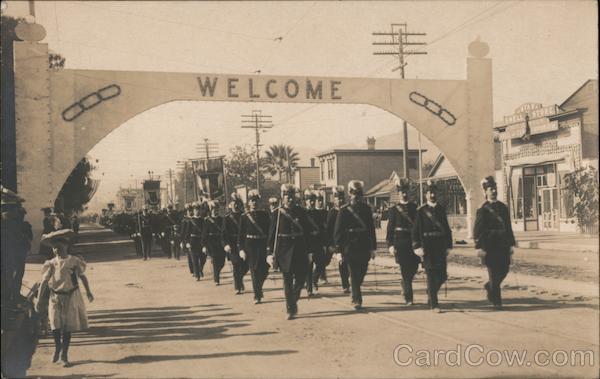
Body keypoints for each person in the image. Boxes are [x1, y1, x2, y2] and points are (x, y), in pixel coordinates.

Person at [35, 229, 94, 367]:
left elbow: (82, 277)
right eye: (54, 248)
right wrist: (39, 300)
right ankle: (57, 347)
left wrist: (89, 292)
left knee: (67, 326)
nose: (57, 250)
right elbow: (44, 281)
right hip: (55, 296)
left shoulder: (74, 261)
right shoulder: (50, 263)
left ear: (67, 247)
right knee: (55, 324)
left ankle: (64, 355)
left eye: (60, 247)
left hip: (71, 296)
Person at [268, 184, 311, 320]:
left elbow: (307, 233)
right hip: (284, 251)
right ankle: (290, 309)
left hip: (299, 249)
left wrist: (310, 251)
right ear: (283, 197)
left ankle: (294, 297)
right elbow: (272, 234)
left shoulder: (302, 212)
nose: (290, 199)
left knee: (301, 277)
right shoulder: (277, 213)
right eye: (287, 197)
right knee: (287, 280)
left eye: (292, 196)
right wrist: (269, 253)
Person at [474, 176, 516, 310]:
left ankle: (490, 286)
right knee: (493, 272)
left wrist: (511, 243)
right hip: (490, 245)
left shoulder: (503, 207)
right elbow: (478, 230)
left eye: (495, 189)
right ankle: (497, 301)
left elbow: (508, 226)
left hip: (502, 244)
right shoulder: (483, 209)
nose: (493, 191)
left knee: (504, 269)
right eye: (490, 189)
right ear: (485, 192)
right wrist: (479, 246)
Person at [334, 180, 377, 310]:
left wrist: (373, 247)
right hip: (349, 246)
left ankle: (355, 288)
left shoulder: (366, 209)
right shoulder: (344, 210)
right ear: (349, 194)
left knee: (362, 272)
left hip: (363, 245)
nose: (356, 196)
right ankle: (356, 299)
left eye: (358, 193)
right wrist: (338, 251)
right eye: (353, 193)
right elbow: (338, 232)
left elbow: (371, 229)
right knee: (353, 273)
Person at [412, 180, 453, 313]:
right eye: (429, 193)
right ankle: (434, 304)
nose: (432, 195)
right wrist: (417, 246)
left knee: (442, 275)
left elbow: (446, 229)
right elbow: (415, 231)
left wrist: (448, 245)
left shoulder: (441, 210)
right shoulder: (421, 211)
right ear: (425, 195)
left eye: (434, 192)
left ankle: (431, 291)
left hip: (440, 246)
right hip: (427, 246)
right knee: (430, 274)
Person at [386, 178, 420, 305]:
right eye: (402, 192)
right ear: (398, 193)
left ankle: (405, 284)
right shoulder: (394, 210)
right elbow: (390, 229)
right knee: (405, 270)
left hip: (413, 243)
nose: (404, 194)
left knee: (414, 268)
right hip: (400, 244)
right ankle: (408, 297)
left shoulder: (414, 208)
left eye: (406, 192)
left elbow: (419, 227)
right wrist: (390, 244)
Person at [238, 190, 270, 304]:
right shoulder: (244, 217)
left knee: (265, 270)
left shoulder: (265, 215)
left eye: (256, 201)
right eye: (252, 201)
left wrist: (269, 247)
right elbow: (241, 235)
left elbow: (269, 231)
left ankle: (258, 288)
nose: (254, 203)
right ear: (249, 202)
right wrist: (241, 249)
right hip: (250, 246)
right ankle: (257, 295)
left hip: (262, 245)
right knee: (254, 270)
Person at [222, 193, 248, 294]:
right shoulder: (227, 217)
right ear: (230, 204)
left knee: (245, 265)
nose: (236, 205)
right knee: (236, 265)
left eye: (237, 203)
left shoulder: (244, 215)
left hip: (244, 244)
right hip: (232, 245)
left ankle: (239, 280)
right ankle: (237, 286)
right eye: (234, 203)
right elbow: (224, 234)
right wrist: (226, 244)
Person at [303, 189, 326, 297]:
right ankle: (309, 289)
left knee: (322, 263)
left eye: (313, 200)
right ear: (305, 201)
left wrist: (324, 243)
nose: (312, 202)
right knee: (308, 266)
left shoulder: (319, 213)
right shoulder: (302, 213)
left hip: (318, 242)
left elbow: (323, 229)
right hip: (307, 243)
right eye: (309, 200)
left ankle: (314, 280)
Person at [327, 186, 350, 294]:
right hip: (337, 241)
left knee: (350, 263)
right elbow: (329, 229)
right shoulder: (332, 212)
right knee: (342, 263)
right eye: (337, 198)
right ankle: (345, 284)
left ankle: (348, 281)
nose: (340, 200)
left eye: (341, 198)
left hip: (348, 240)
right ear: (334, 199)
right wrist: (332, 244)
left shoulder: (347, 210)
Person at [202, 201, 225, 285]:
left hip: (220, 242)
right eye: (213, 210)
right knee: (215, 260)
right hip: (211, 243)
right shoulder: (207, 220)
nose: (215, 211)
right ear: (210, 211)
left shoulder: (222, 219)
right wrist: (204, 245)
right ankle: (216, 279)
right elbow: (204, 234)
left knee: (222, 261)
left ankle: (217, 271)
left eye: (216, 209)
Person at [189, 202, 206, 280]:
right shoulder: (190, 220)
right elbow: (187, 232)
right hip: (193, 241)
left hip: (201, 241)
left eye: (198, 210)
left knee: (203, 258)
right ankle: (197, 275)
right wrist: (187, 242)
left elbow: (205, 231)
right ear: (193, 211)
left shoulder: (203, 220)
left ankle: (200, 269)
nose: (197, 211)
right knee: (195, 259)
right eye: (195, 210)